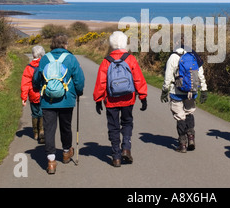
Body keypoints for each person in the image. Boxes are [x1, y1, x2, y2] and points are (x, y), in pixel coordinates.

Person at [93, 31, 148, 167]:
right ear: (124, 43)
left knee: (113, 126)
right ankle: (126, 148)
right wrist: (143, 96)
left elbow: (101, 82)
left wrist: (98, 99)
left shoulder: (106, 61)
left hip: (111, 100)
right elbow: (138, 78)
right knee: (127, 122)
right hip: (128, 98)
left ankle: (116, 156)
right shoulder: (130, 59)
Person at [33, 34, 85, 174]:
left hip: (48, 101)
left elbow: (36, 78)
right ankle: (66, 152)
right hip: (66, 100)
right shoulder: (70, 58)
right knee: (66, 127)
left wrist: (38, 88)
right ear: (65, 45)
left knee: (49, 129)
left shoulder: (45, 59)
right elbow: (79, 79)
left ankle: (51, 161)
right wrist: (79, 92)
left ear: (52, 45)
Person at [161, 35, 208, 153]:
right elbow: (200, 74)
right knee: (189, 112)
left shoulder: (173, 57)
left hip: (176, 92)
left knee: (179, 116)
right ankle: (191, 137)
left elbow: (168, 76)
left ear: (176, 42)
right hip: (191, 92)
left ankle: (182, 144)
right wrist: (204, 89)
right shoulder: (193, 55)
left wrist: (164, 90)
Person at [21, 45, 46, 144]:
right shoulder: (45, 65)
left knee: (35, 113)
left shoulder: (29, 67)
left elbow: (25, 83)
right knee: (43, 113)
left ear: (33, 54)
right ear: (43, 54)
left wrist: (24, 97)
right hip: (43, 94)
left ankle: (35, 133)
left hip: (32, 94)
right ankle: (42, 131)